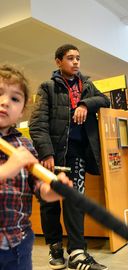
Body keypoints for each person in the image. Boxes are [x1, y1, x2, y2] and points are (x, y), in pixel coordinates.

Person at [29, 44, 110, 270]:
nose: (75, 62)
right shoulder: (47, 88)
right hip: (52, 155)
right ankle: (55, 248)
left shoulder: (87, 85)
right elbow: (37, 124)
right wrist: (46, 153)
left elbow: (105, 100)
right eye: (70, 58)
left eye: (78, 58)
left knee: (75, 201)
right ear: (58, 62)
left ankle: (77, 251)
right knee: (50, 203)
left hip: (77, 154)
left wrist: (85, 103)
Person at [0, 64, 72, 270]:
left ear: (22, 110)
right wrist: (7, 169)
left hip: (18, 243)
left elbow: (38, 186)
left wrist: (52, 190)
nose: (5, 102)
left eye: (15, 98)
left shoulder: (25, 145)